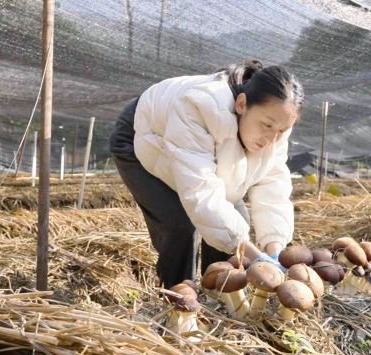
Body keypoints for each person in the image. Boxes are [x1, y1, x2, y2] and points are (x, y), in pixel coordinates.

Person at [109, 61, 303, 289]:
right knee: (179, 224)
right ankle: (177, 301)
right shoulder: (198, 106)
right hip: (146, 136)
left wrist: (275, 251)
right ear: (242, 104)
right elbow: (201, 193)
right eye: (266, 125)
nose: (271, 139)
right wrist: (255, 256)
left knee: (235, 220)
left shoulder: (277, 124)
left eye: (281, 131)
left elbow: (273, 187)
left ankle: (218, 296)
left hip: (198, 143)